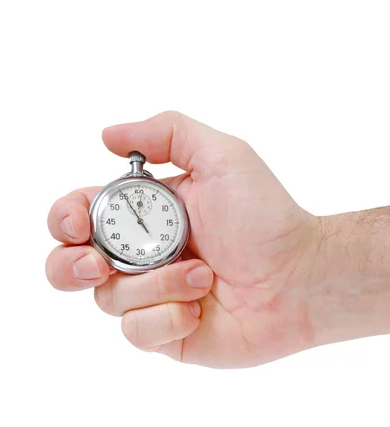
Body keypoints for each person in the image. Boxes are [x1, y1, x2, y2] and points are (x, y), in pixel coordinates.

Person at [45, 111, 390, 368]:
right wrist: (302, 276)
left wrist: (302, 270)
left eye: (144, 211)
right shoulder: (116, 208)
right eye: (128, 214)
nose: (138, 218)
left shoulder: (170, 208)